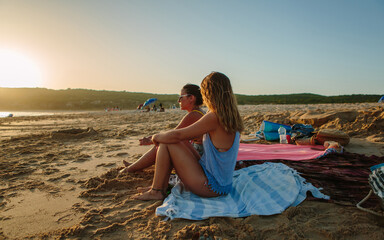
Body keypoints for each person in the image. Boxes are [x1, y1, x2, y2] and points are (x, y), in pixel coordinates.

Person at [133, 72, 244, 200]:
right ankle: (159, 186)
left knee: (168, 141)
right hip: (222, 182)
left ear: (208, 93)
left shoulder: (214, 117)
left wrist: (155, 137)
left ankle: (157, 190)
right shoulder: (230, 116)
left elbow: (178, 134)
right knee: (177, 140)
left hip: (212, 187)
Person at [119, 84, 205, 174]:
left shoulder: (194, 115)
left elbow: (173, 133)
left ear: (191, 98)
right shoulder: (198, 112)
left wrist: (152, 139)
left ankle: (131, 169)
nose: (178, 100)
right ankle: (137, 165)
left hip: (198, 157)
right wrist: (153, 137)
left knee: (164, 142)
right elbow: (174, 133)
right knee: (165, 140)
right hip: (198, 153)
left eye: (181, 97)